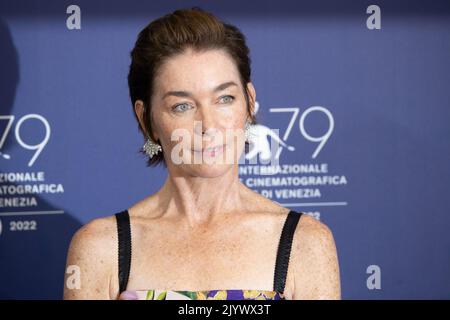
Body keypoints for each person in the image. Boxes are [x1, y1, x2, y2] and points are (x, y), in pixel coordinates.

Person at [63, 7, 340, 300]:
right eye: (182, 106)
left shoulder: (305, 242)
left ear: (249, 103)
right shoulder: (101, 248)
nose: (208, 125)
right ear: (146, 120)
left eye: (224, 98)